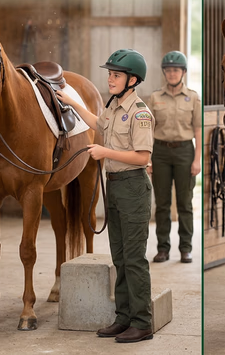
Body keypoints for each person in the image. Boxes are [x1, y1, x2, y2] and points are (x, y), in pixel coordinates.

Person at [57, 49, 155, 343]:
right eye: (110, 74)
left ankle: (142, 322)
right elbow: (96, 122)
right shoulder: (113, 107)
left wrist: (104, 152)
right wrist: (72, 102)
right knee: (120, 258)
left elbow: (142, 157)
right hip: (114, 186)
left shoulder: (140, 113)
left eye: (116, 75)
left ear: (132, 80)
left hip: (133, 186)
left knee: (134, 259)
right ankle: (124, 318)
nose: (110, 79)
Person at [146, 51, 202, 264]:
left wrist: (197, 160)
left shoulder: (193, 97)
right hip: (160, 153)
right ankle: (163, 248)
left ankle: (186, 248)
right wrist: (148, 159)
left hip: (184, 152)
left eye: (176, 70)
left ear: (183, 72)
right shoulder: (155, 98)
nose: (172, 74)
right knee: (162, 204)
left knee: (185, 203)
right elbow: (148, 130)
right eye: (168, 70)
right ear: (164, 73)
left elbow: (198, 130)